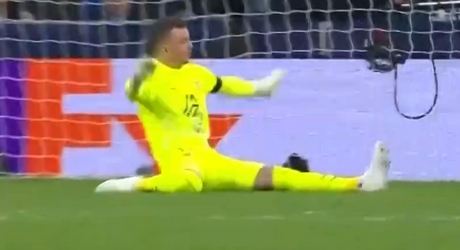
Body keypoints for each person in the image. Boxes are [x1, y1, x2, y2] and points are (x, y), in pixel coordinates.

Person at [96, 17, 391, 193]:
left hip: (208, 160)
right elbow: (133, 92)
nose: (190, 45)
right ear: (165, 47)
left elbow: (226, 84)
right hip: (179, 162)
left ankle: (359, 183)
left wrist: (260, 88)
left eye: (189, 39)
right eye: (183, 41)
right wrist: (140, 75)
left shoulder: (195, 73)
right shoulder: (152, 76)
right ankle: (132, 184)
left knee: (278, 176)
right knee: (188, 182)